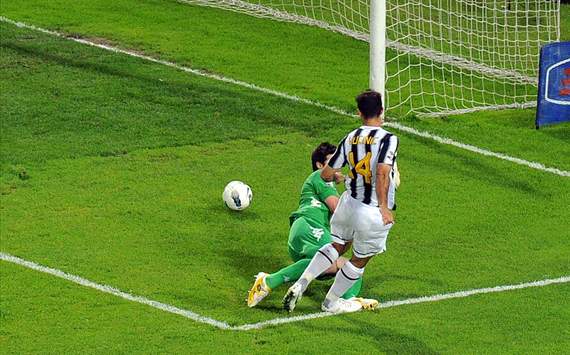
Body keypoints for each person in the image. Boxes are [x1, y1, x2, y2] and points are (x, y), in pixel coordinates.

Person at [283, 90, 399, 314]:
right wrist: (384, 207)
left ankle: (302, 283)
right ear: (382, 111)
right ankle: (331, 302)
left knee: (336, 245)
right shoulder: (388, 139)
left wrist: (340, 177)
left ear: (359, 113)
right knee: (360, 259)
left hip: (348, 204)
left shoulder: (350, 137)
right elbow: (383, 172)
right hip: (371, 211)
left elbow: (326, 174)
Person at [247, 142, 378, 310]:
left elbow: (341, 243)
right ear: (320, 165)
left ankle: (350, 298)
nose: (336, 166)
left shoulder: (327, 185)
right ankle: (270, 280)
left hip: (305, 232)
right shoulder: (318, 176)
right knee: (337, 264)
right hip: (309, 225)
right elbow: (338, 209)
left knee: (344, 264)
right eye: (333, 162)